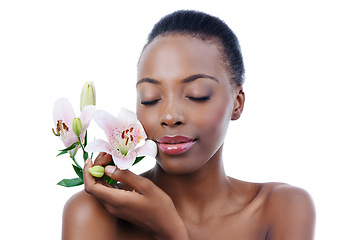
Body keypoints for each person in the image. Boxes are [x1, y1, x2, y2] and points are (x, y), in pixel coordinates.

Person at [62, 10, 315, 240]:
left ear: (237, 103)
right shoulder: (91, 212)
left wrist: (170, 231)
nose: (170, 116)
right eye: (150, 98)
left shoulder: (283, 208)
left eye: (197, 94)